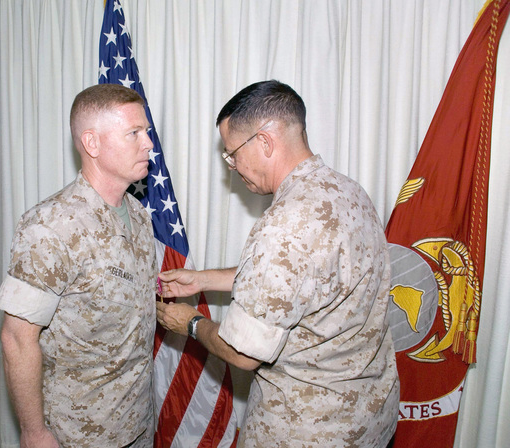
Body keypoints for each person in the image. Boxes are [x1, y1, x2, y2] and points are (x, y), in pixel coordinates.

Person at [156, 80, 400, 447]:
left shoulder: (283, 226)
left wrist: (189, 323)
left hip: (306, 429)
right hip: (369, 416)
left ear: (265, 142)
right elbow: (305, 281)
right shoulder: (347, 191)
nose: (232, 166)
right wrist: (202, 280)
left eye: (232, 153)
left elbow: (242, 352)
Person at [0, 83, 157, 448]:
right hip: (78, 431)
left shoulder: (139, 216)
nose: (148, 143)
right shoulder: (50, 228)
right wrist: (34, 431)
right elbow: (17, 339)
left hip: (137, 417)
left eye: (145, 132)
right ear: (93, 143)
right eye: (134, 133)